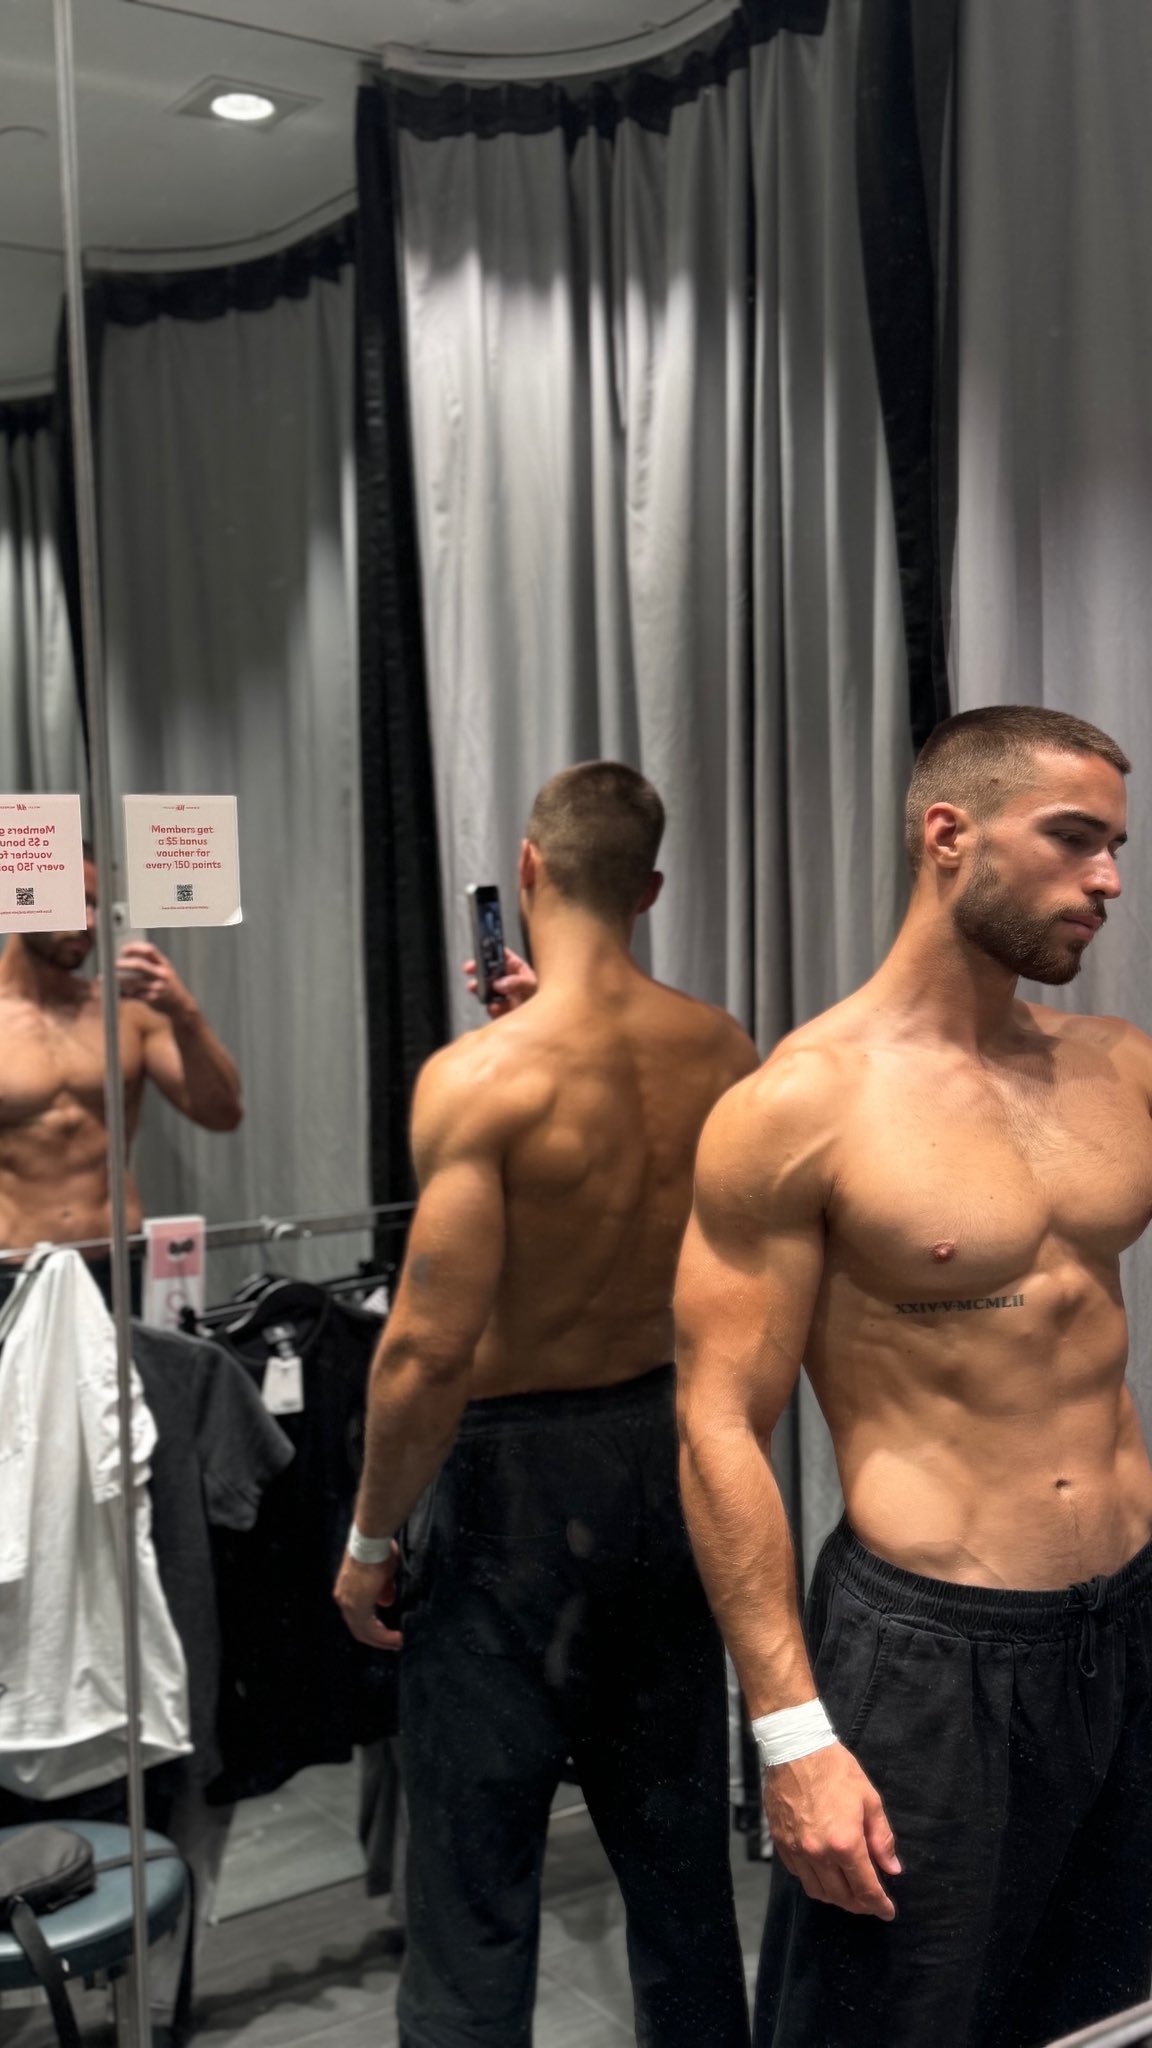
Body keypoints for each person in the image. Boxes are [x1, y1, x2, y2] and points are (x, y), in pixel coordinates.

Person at [676, 704, 1152, 2048]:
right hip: (935, 1655)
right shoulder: (801, 1104)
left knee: (1109, 2018)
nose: (1107, 880)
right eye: (1074, 839)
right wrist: (790, 1736)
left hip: (1129, 1623)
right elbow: (718, 1421)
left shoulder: (1119, 1066)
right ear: (950, 834)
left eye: (1116, 848)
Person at [336, 761, 758, 2048]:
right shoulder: (722, 1049)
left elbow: (424, 1351)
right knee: (679, 1861)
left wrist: (368, 1537)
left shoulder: (484, 1078)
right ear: (651, 889)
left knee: (475, 1879)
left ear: (526, 870)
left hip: (507, 1488)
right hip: (663, 1451)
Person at [0, 846, 243, 1297]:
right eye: (76, 901)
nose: (89, 921)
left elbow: (223, 1114)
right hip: (13, 1270)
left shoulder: (127, 1013)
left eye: (96, 905)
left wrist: (184, 1012)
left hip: (116, 1265)